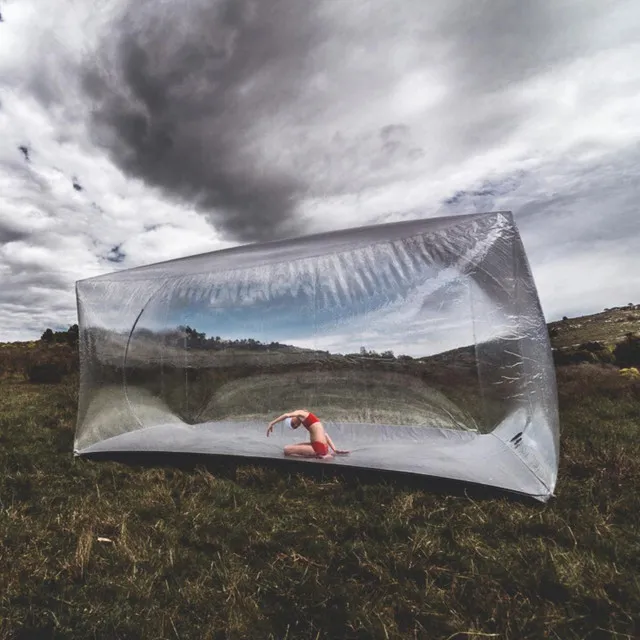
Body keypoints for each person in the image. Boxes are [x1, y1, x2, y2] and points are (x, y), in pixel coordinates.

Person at [266, 409, 349, 458]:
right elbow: (325, 435)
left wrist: (272, 423)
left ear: (292, 417)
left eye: (292, 423)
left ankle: (324, 455)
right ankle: (325, 453)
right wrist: (335, 450)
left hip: (318, 449)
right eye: (295, 427)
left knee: (286, 450)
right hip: (321, 447)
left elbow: (286, 415)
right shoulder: (310, 419)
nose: (296, 425)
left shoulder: (301, 413)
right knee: (295, 445)